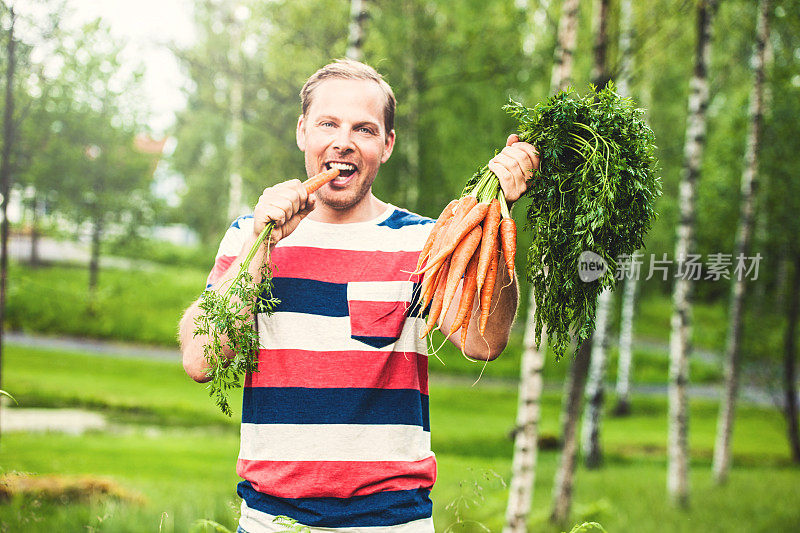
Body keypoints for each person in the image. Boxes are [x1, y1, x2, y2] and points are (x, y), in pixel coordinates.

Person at [179, 59, 539, 533]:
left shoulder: (421, 242)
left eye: (364, 129)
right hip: (271, 522)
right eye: (328, 123)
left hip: (391, 523)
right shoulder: (249, 236)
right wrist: (263, 244)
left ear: (387, 145)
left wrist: (497, 224)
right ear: (302, 131)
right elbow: (202, 360)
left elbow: (483, 341)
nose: (343, 140)